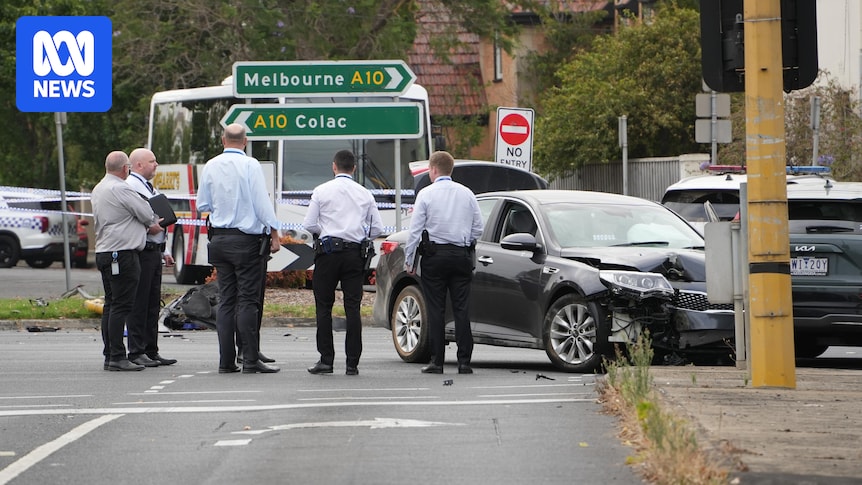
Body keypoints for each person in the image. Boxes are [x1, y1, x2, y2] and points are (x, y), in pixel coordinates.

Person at [197, 123, 282, 374]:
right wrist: (275, 232)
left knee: (226, 301)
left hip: (220, 241)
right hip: (246, 241)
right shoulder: (250, 165)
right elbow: (261, 203)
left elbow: (203, 204)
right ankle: (251, 360)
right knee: (248, 301)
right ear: (245, 142)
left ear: (223, 140)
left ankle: (226, 361)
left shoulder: (210, 165)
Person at [303, 149, 383, 376]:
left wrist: (326, 232)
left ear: (334, 166)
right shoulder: (365, 193)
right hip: (354, 255)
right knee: (352, 308)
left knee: (324, 307)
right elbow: (376, 228)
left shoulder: (321, 191)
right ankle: (352, 364)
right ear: (354, 169)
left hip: (328, 254)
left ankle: (326, 360)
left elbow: (309, 225)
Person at [404, 151, 484, 374]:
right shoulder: (467, 194)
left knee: (436, 310)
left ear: (433, 169)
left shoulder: (426, 194)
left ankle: (437, 362)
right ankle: (464, 361)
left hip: (434, 257)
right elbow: (479, 227)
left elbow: (415, 231)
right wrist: (466, 240)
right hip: (461, 256)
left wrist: (409, 260)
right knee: (461, 309)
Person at [91, 151, 164, 371]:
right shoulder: (121, 188)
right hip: (121, 253)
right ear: (125, 168)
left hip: (105, 252)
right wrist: (152, 222)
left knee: (111, 305)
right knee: (122, 306)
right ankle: (117, 357)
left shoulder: (99, 187)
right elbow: (146, 213)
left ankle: (110, 354)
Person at [125, 148, 177, 368]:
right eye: (152, 161)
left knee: (152, 303)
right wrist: (149, 230)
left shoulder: (147, 186)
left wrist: (164, 250)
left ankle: (150, 349)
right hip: (142, 250)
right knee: (140, 303)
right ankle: (136, 351)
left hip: (154, 250)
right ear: (138, 165)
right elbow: (133, 219)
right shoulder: (131, 186)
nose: (156, 165)